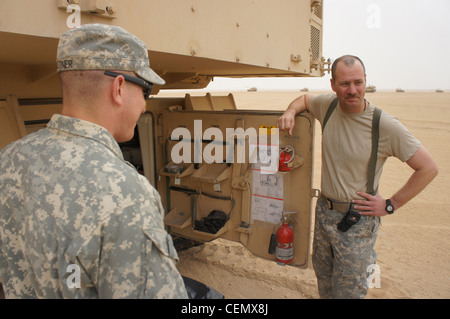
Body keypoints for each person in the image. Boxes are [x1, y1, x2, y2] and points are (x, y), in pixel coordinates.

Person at [0, 24, 188, 299]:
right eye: (146, 91)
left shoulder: (8, 159)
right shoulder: (126, 194)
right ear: (119, 87)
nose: (145, 105)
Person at [277, 55, 438, 299]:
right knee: (324, 279)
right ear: (333, 85)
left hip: (356, 222)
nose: (353, 90)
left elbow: (428, 168)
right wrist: (291, 110)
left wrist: (391, 204)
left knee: (349, 291)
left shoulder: (383, 124)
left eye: (358, 82)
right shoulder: (328, 106)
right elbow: (305, 100)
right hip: (324, 214)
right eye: (345, 84)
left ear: (365, 82)